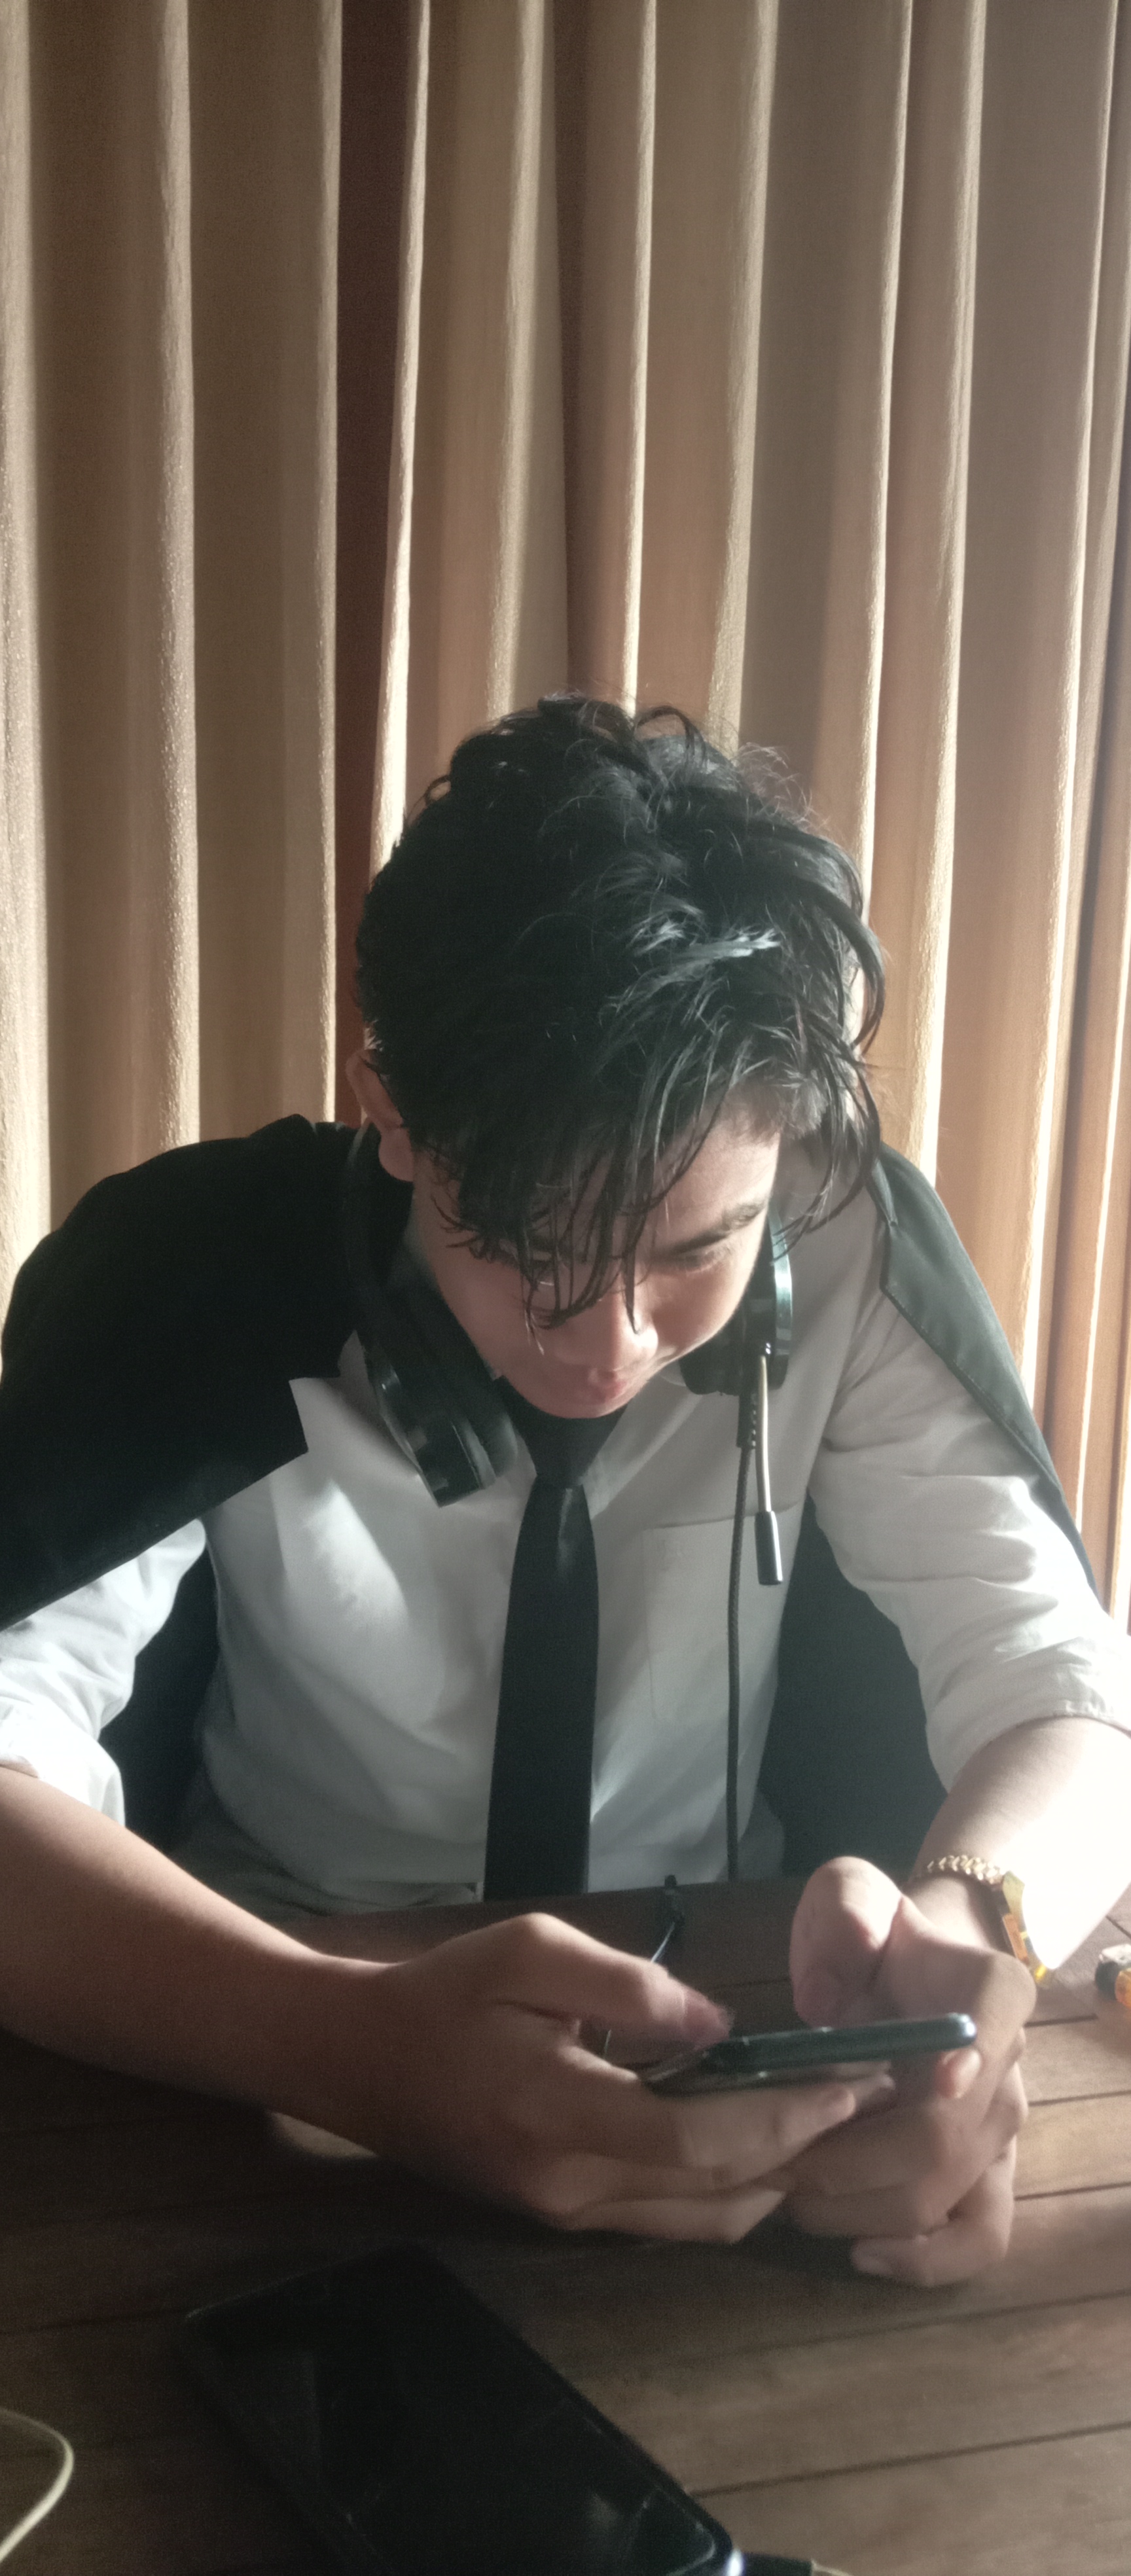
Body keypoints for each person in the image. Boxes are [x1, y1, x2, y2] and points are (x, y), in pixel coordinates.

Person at [0, 695, 1128, 2285]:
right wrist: (346, 2047)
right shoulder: (193, 1271)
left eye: (695, 1254)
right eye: (530, 1252)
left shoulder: (848, 1248)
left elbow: (1063, 1684)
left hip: (725, 2035)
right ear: (393, 1112)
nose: (609, 1346)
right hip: (256, 2047)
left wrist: (980, 1934)